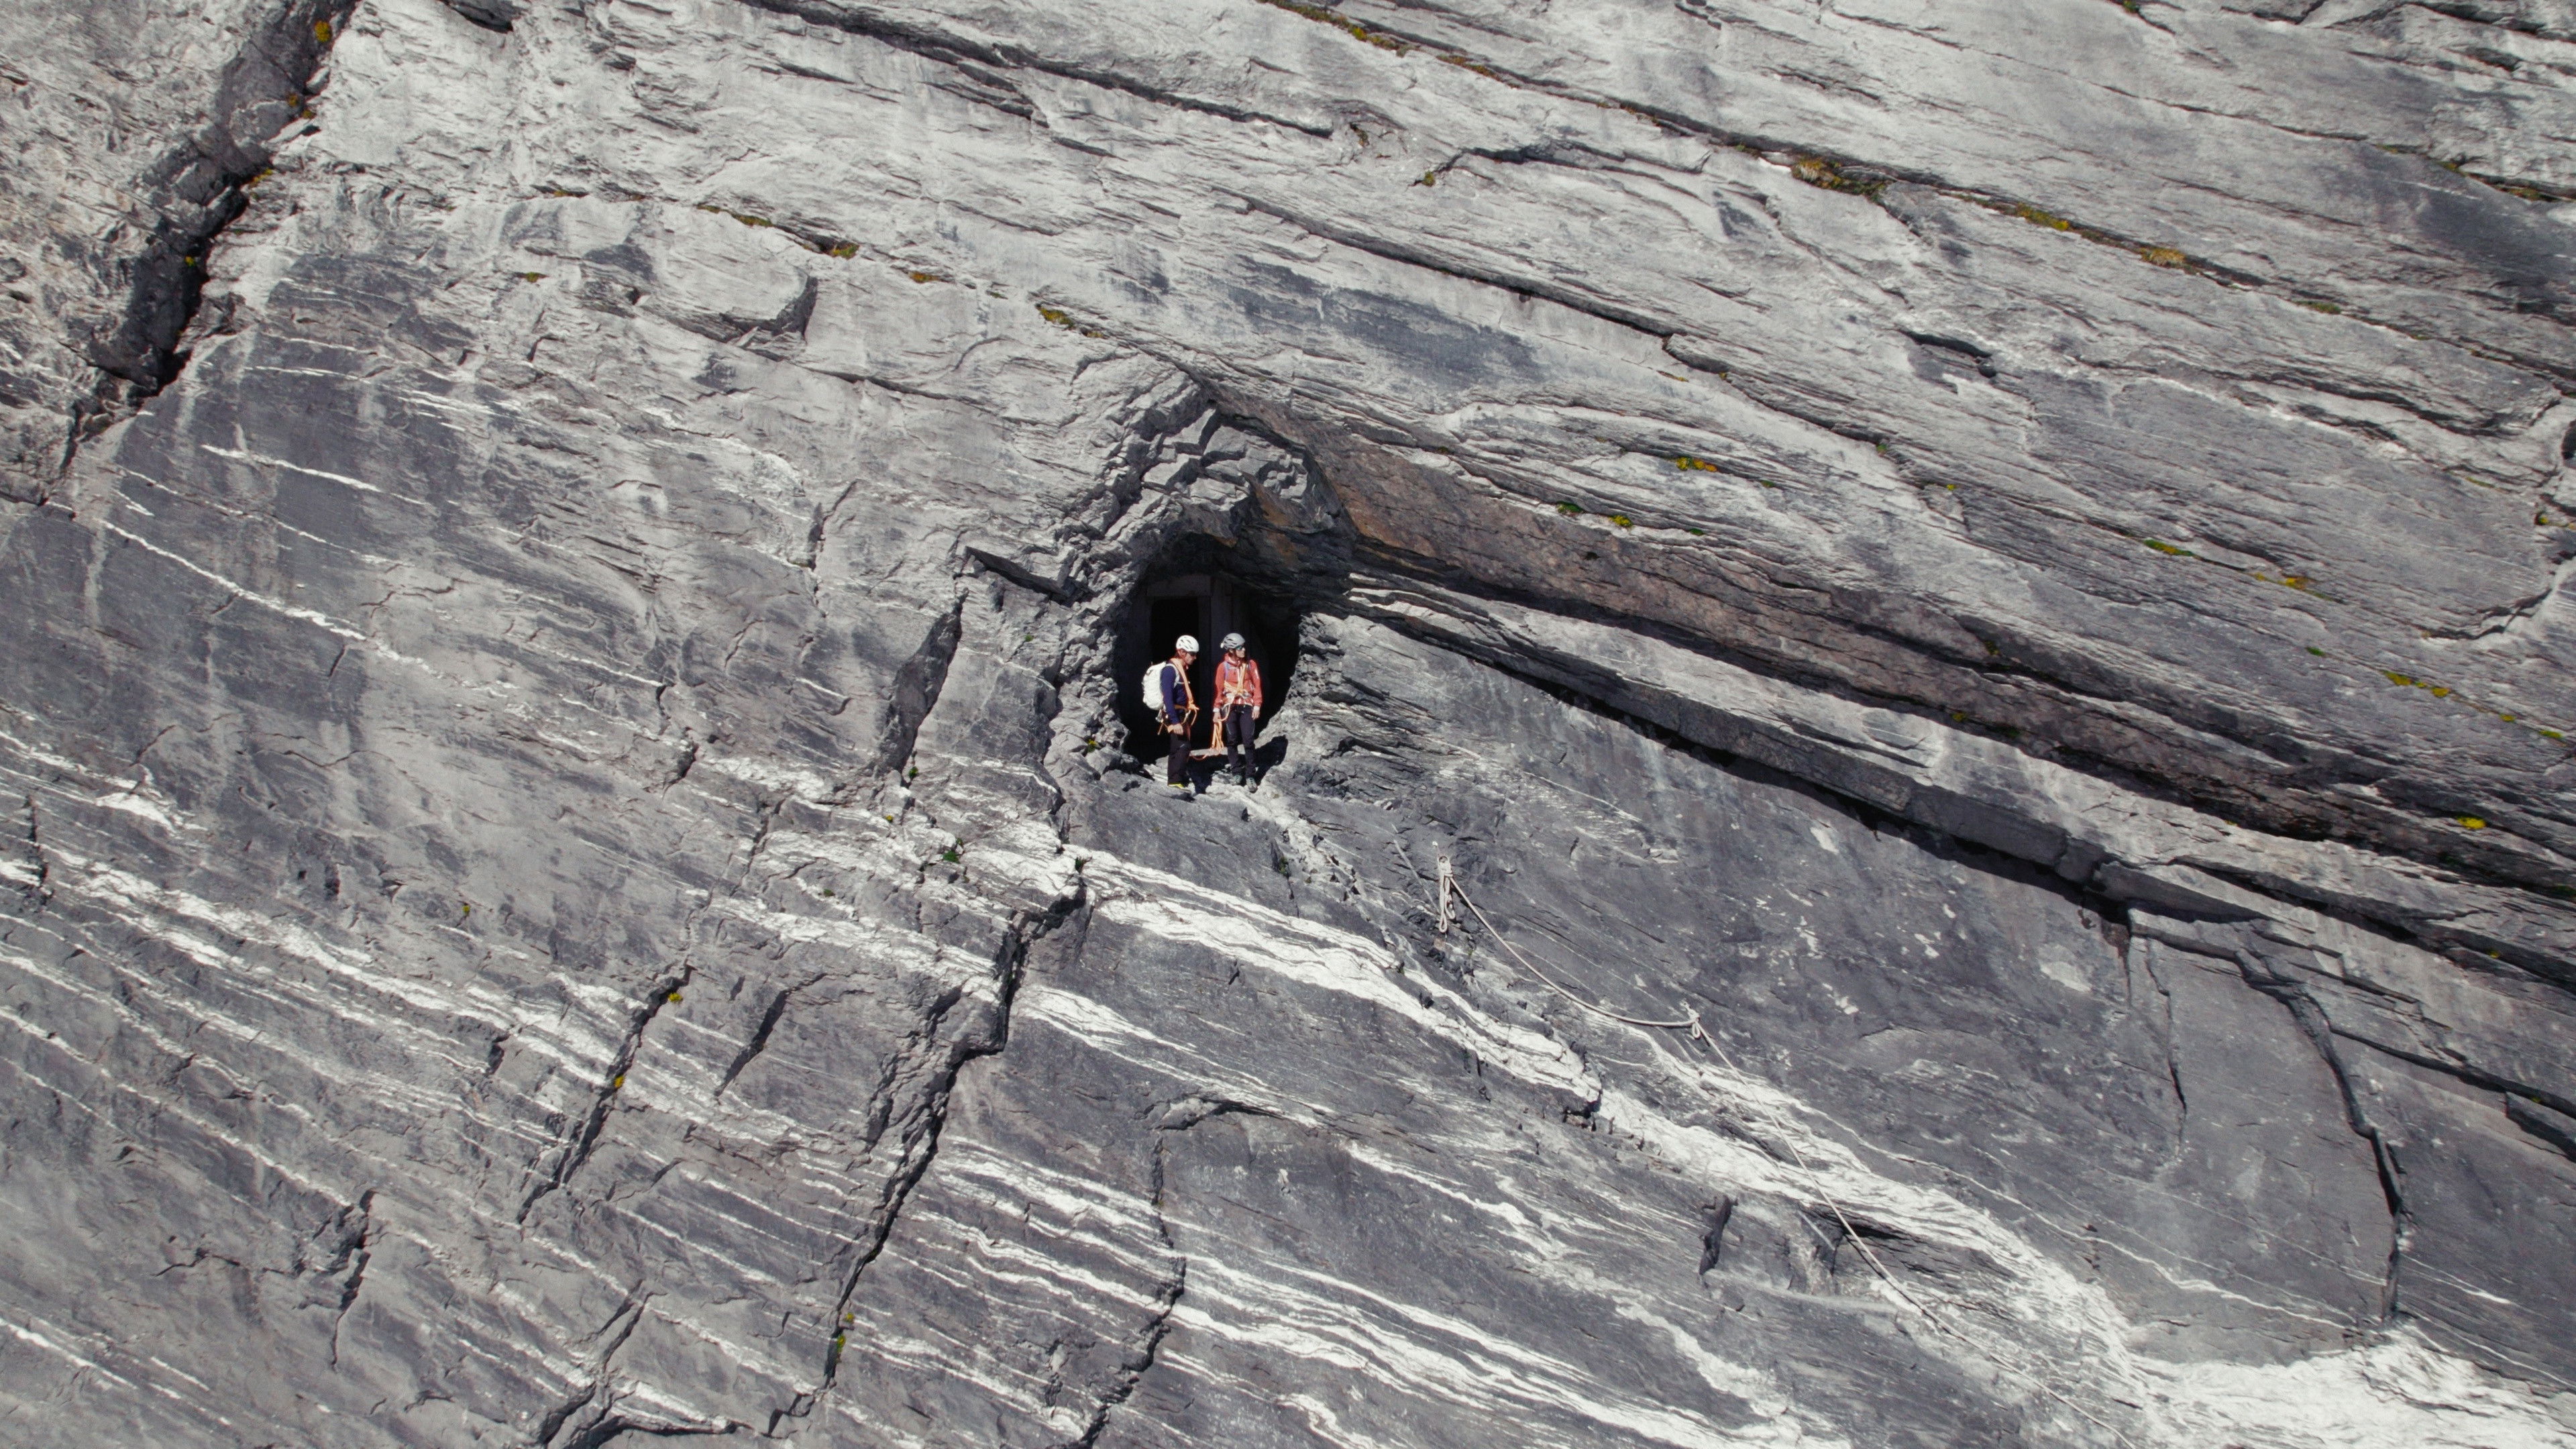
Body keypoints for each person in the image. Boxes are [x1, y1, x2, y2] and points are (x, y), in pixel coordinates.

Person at [1214, 633, 1263, 786]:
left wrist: (1257, 705)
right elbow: (1219, 690)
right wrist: (1216, 710)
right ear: (1232, 650)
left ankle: (1250, 775)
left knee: (1248, 740)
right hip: (1230, 706)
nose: (1244, 650)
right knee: (1232, 739)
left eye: (1243, 646)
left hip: (1247, 704)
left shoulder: (1250, 664)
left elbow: (1257, 685)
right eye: (1240, 648)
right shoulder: (1223, 667)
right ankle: (1236, 772)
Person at [1157, 635, 1199, 793]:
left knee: (1178, 746)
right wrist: (1175, 722)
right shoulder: (1170, 670)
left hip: (1180, 713)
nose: (1195, 658)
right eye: (1192, 654)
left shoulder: (1179, 669)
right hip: (1174, 714)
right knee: (1182, 746)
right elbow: (1168, 697)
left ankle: (1176, 778)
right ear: (1182, 652)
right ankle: (1175, 781)